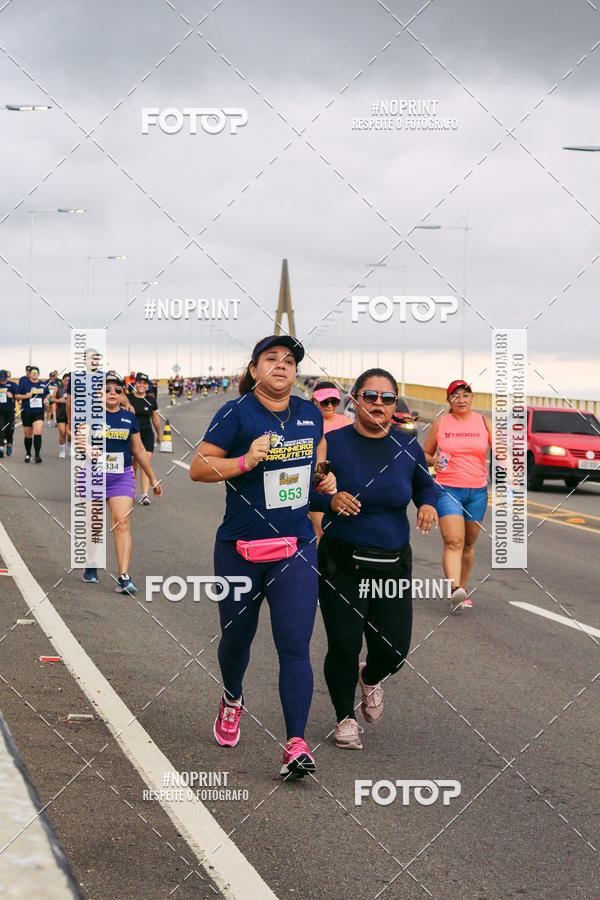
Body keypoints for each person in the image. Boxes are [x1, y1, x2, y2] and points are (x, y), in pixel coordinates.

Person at [190, 335, 335, 779]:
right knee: (237, 640)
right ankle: (232, 697)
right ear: (254, 369)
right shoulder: (236, 413)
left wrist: (323, 486)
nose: (281, 366)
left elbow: (313, 468)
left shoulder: (310, 413)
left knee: (295, 646)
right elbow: (198, 468)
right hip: (240, 548)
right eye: (270, 359)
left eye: (289, 361)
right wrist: (246, 461)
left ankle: (295, 743)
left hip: (294, 548)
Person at [317, 368, 438, 750]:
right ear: (354, 400)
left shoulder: (407, 445)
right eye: (370, 396)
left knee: (395, 650)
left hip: (392, 566)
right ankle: (344, 717)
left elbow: (426, 485)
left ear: (395, 405)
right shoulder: (330, 443)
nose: (379, 404)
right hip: (342, 561)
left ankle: (370, 677)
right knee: (344, 645)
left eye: (388, 398)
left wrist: (429, 506)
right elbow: (300, 488)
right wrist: (329, 499)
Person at [78, 373, 163, 591]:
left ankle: (123, 577)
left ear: (122, 394)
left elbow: (139, 450)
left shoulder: (128, 418)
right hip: (93, 475)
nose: (112, 393)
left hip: (121, 476)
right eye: (107, 389)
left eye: (117, 390)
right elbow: (79, 439)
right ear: (99, 393)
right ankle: (91, 563)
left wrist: (153, 479)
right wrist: (88, 448)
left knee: (121, 521)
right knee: (94, 526)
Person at [422, 380, 493, 611]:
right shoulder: (440, 424)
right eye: (455, 396)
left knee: (469, 544)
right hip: (447, 488)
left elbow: (501, 449)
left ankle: (463, 587)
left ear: (472, 398)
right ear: (449, 400)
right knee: (454, 541)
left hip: (478, 491)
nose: (461, 400)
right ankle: (454, 589)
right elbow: (425, 453)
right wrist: (434, 462)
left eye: (465, 395)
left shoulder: (483, 422)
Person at [309, 381, 351, 542]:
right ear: (314, 401)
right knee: (320, 532)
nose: (329, 405)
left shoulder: (346, 422)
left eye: (334, 401)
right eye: (324, 401)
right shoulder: (310, 424)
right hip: (319, 483)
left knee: (340, 533)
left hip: (343, 482)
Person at [128, 373, 162, 504]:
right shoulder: (128, 398)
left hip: (147, 436)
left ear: (148, 386)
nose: (142, 385)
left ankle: (145, 495)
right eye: (139, 382)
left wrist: (159, 434)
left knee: (144, 464)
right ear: (135, 384)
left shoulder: (151, 400)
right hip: (132, 436)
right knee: (133, 466)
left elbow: (155, 419)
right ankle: (130, 492)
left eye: (144, 383)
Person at [15, 366, 50, 462]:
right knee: (28, 435)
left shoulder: (43, 384)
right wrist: (25, 396)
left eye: (36, 371)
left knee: (37, 432)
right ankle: (28, 453)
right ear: (29, 374)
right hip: (27, 412)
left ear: (39, 373)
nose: (34, 373)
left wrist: (47, 399)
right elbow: (16, 396)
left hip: (38, 412)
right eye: (32, 371)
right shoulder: (24, 384)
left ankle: (37, 455)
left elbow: (48, 394)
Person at [51, 373, 70, 458]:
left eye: (69, 380)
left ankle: (70, 446)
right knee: (62, 432)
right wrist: (60, 400)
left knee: (69, 433)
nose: (67, 382)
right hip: (61, 412)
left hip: (70, 413)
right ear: (62, 381)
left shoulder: (74, 389)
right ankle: (62, 450)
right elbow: (52, 399)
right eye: (65, 380)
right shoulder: (58, 388)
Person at [0, 369, 18, 458]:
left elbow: (19, 396)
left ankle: (9, 445)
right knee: (1, 429)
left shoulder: (12, 385)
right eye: (1, 379)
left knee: (8, 430)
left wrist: (12, 396)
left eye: (4, 379)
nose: (2, 381)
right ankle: (1, 448)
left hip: (9, 410)